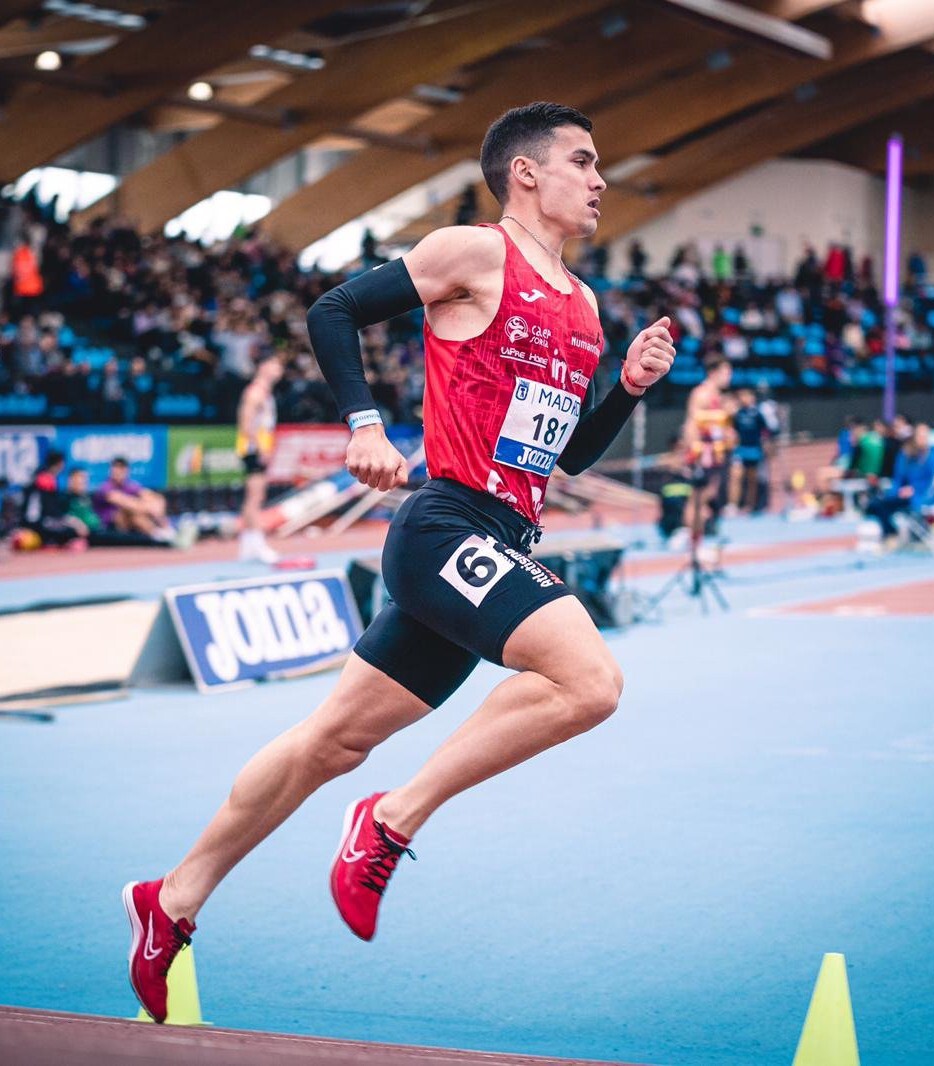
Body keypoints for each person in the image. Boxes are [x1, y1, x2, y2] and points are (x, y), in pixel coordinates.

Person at [122, 101, 675, 1024]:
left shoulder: (582, 307)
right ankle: (391, 818)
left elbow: (570, 455)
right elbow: (334, 310)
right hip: (445, 528)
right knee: (590, 681)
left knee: (331, 742)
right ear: (526, 173)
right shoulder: (475, 253)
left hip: (499, 540)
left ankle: (170, 900)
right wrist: (364, 424)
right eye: (582, 160)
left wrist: (625, 386)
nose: (600, 179)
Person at [679, 353, 736, 536]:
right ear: (713, 372)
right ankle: (690, 535)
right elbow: (691, 423)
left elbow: (718, 426)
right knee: (698, 496)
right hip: (703, 452)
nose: (729, 377)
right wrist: (693, 451)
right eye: (726, 373)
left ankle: (697, 535)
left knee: (708, 493)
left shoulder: (718, 396)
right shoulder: (701, 394)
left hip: (715, 451)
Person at [236, 353, 284, 564]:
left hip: (258, 447)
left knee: (254, 496)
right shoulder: (255, 392)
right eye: (275, 365)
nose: (279, 370)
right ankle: (258, 542)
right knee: (255, 497)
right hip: (253, 449)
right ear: (263, 366)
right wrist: (260, 448)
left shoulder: (265, 392)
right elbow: (246, 424)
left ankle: (248, 544)